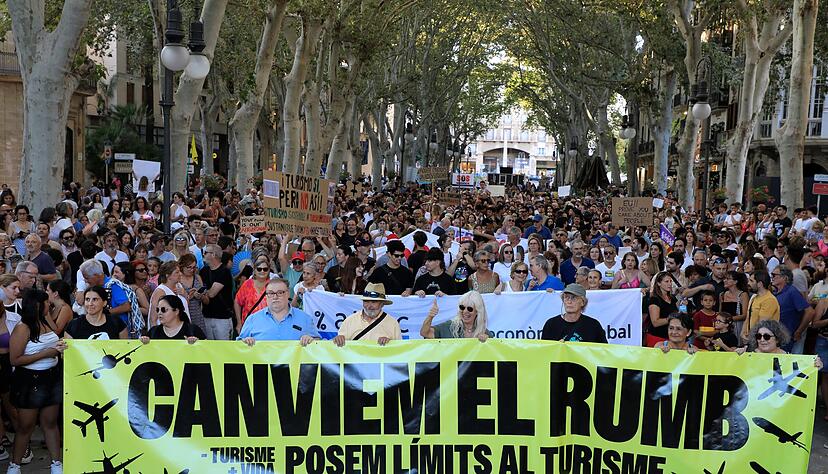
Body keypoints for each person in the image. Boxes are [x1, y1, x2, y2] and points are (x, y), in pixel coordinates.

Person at [8, 289, 65, 474]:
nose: (50, 304)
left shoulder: (46, 319)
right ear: (38, 305)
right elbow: (14, 359)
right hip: (30, 380)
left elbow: (55, 335)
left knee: (50, 422)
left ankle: (57, 463)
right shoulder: (23, 327)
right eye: (47, 302)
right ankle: (14, 465)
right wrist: (46, 353)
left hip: (52, 377)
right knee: (26, 426)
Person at [237, 279, 320, 345]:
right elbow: (238, 347)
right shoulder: (252, 319)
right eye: (271, 293)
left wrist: (311, 340)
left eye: (280, 293)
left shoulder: (305, 318)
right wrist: (245, 342)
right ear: (266, 296)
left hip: (295, 366)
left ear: (288, 294)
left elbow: (319, 345)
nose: (275, 297)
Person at [334, 283, 402, 346]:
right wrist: (339, 340)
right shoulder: (349, 321)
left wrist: (390, 343)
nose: (369, 306)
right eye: (366, 301)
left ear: (382, 304)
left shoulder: (392, 323)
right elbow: (341, 349)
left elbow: (398, 350)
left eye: (373, 302)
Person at [540, 283, 607, 343]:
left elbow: (603, 352)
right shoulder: (551, 324)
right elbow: (544, 351)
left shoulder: (593, 326)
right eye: (566, 297)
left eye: (574, 298)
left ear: (582, 302)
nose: (569, 302)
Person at [772, 266, 814, 354]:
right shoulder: (775, 292)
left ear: (784, 278)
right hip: (776, 337)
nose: (772, 277)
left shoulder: (792, 291)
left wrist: (799, 331)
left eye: (774, 275)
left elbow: (810, 311)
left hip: (787, 338)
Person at [420, 290, 492, 340]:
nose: (465, 311)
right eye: (462, 307)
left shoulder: (484, 332)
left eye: (470, 309)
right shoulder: (449, 326)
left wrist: (487, 342)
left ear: (477, 311)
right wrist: (430, 316)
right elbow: (425, 333)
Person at [199, 244, 235, 340]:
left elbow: (211, 293)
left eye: (206, 252)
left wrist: (203, 292)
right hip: (206, 316)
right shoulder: (203, 271)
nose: (203, 255)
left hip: (222, 318)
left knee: (223, 349)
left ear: (213, 254)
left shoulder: (224, 271)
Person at [141, 295, 205, 343]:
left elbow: (206, 351)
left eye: (163, 310)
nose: (159, 313)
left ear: (176, 311)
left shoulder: (193, 330)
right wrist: (144, 342)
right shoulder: (153, 332)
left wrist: (196, 344)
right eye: (158, 310)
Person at [741, 270, 781, 344]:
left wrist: (751, 338)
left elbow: (761, 324)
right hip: (752, 340)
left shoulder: (769, 300)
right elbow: (748, 318)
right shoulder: (754, 297)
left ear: (760, 284)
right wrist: (743, 333)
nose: (748, 283)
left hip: (764, 341)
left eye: (751, 281)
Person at [234, 255, 271, 332]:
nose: (262, 271)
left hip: (268, 327)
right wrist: (239, 322)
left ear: (269, 271)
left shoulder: (273, 286)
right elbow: (237, 302)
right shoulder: (247, 284)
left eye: (265, 269)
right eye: (259, 269)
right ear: (254, 270)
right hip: (248, 326)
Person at [148, 261, 190, 327]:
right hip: (166, 332)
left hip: (183, 327)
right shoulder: (160, 291)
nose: (180, 274)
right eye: (177, 272)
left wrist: (184, 294)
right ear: (167, 275)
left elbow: (184, 306)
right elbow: (153, 319)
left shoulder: (179, 286)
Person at [647, 272, 678, 347]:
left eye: (671, 281)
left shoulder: (673, 298)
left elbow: (678, 314)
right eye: (666, 281)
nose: (670, 284)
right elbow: (655, 322)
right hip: (657, 337)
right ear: (659, 283)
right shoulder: (654, 299)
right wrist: (672, 318)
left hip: (671, 337)